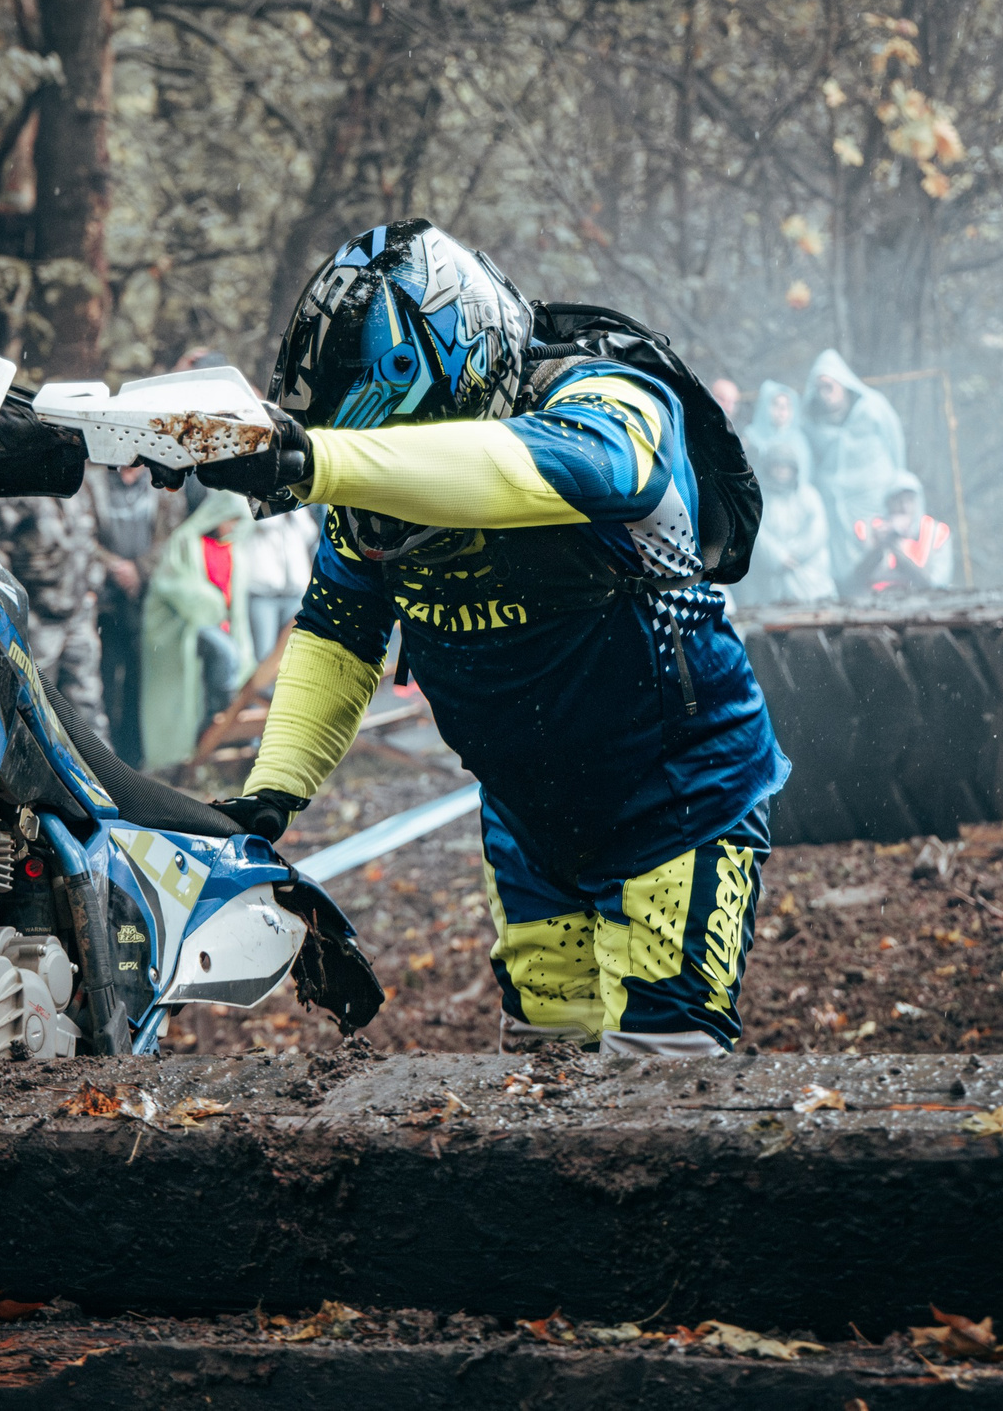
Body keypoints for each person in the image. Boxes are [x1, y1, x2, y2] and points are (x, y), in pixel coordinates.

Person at [198, 218, 789, 1057]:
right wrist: (275, 789)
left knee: (662, 1072)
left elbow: (573, 470)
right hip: (528, 815)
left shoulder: (613, 398)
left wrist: (323, 461)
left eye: (382, 444)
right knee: (540, 1063)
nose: (374, 484)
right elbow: (340, 630)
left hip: (680, 800)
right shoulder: (369, 497)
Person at [139, 490, 254, 768]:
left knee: (244, 665)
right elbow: (172, 583)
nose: (233, 527)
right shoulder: (187, 542)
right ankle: (214, 721)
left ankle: (227, 730)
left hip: (221, 626)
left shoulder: (234, 550)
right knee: (226, 656)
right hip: (186, 627)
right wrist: (210, 602)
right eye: (231, 519)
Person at [0, 487, 108, 737]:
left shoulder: (77, 485)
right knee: (31, 706)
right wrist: (17, 614)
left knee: (88, 704)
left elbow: (90, 540)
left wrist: (93, 587)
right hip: (36, 619)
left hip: (79, 614)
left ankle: (97, 763)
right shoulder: (14, 487)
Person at [93, 462, 184, 763]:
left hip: (147, 599)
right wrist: (116, 567)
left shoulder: (165, 485)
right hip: (105, 599)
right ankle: (103, 754)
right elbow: (83, 532)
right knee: (102, 678)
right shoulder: (95, 481)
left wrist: (139, 570)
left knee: (140, 678)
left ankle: (134, 757)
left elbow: (173, 535)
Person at [802, 349, 906, 587]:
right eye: (819, 388)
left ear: (843, 383)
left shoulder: (872, 408)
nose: (824, 394)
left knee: (879, 558)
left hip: (874, 499)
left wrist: (897, 484)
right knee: (847, 574)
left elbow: (895, 444)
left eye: (829, 387)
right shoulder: (812, 423)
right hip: (836, 511)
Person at [729, 445, 834, 608]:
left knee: (817, 606)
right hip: (772, 572)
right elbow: (757, 531)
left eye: (785, 467)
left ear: (794, 469)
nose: (781, 471)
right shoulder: (758, 497)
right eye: (776, 466)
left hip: (807, 569)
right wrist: (778, 556)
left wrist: (796, 553)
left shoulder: (808, 495)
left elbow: (818, 529)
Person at [846, 471, 955, 592]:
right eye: (898, 501)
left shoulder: (936, 533)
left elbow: (937, 584)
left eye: (910, 500)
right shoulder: (866, 529)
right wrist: (880, 547)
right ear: (887, 503)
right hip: (873, 599)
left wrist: (897, 550)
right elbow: (852, 581)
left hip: (922, 600)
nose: (904, 508)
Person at [238, 504, 319, 662]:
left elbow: (310, 532)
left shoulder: (296, 508)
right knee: (265, 655)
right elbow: (264, 523)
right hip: (263, 595)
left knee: (293, 653)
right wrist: (281, 505)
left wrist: (294, 508)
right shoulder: (257, 501)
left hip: (294, 593)